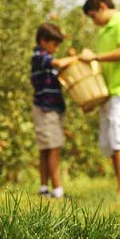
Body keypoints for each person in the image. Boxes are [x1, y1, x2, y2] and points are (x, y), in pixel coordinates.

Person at [79, 0, 120, 197]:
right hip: (108, 93)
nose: (93, 22)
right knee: (111, 143)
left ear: (103, 7)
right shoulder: (103, 32)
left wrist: (94, 57)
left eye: (93, 16)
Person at [31, 23, 78, 199]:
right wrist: (77, 58)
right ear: (43, 41)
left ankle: (44, 189)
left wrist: (71, 59)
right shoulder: (39, 56)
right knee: (53, 148)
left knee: (46, 149)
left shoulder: (46, 58)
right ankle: (58, 190)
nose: (56, 49)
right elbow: (58, 62)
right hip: (46, 108)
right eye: (54, 44)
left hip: (51, 108)